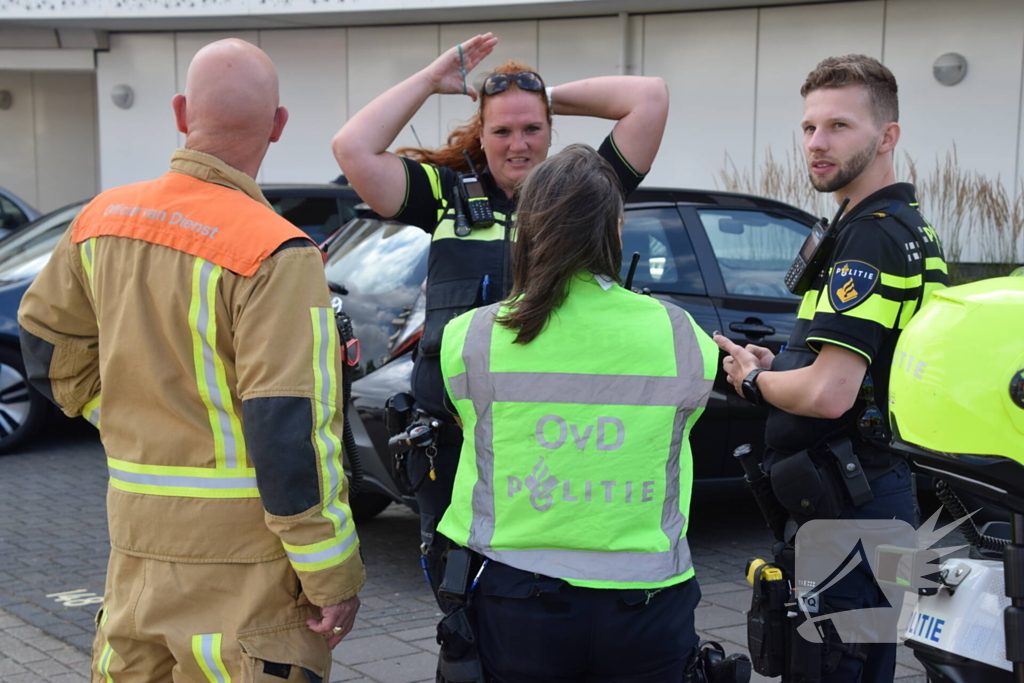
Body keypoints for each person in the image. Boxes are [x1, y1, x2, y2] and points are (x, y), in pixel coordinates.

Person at [18, 39, 364, 681]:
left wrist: (119, 409)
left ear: (181, 113)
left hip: (135, 545)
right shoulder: (279, 253)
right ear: (280, 125)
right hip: (247, 566)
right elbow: (289, 430)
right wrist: (331, 573)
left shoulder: (99, 221)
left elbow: (45, 343)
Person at [331, 32, 669, 601]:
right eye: (503, 130)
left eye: (532, 128)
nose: (519, 144)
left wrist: (535, 96)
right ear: (481, 135)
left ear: (551, 131)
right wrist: (428, 81)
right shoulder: (445, 197)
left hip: (554, 447)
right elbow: (352, 148)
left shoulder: (582, 197)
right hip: (453, 445)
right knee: (460, 600)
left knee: (543, 594)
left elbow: (650, 98)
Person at [438, 143, 717, 682]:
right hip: (647, 602)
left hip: (515, 597)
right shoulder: (681, 333)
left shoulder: (470, 336)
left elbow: (464, 418)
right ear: (614, 228)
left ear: (526, 228)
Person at [715, 55, 949, 683]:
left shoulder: (871, 235)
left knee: (832, 668)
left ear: (887, 136)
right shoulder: (898, 227)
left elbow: (828, 394)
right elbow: (852, 366)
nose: (817, 144)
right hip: (865, 500)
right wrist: (781, 361)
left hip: (849, 509)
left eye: (839, 126)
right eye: (809, 127)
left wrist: (754, 380)